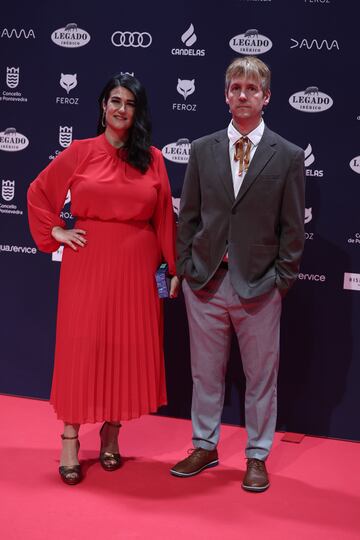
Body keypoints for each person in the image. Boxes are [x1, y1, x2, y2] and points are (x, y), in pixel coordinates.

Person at [27, 73, 179, 485]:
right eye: (115, 100)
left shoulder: (153, 158)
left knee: (125, 348)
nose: (121, 109)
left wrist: (174, 268)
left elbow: (165, 216)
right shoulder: (80, 152)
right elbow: (38, 193)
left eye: (129, 103)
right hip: (88, 264)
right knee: (82, 348)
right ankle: (70, 439)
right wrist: (55, 231)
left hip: (137, 268)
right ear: (102, 105)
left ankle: (112, 435)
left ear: (138, 110)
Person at [171, 57, 305, 492]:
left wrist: (281, 280)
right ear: (225, 94)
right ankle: (204, 445)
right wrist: (188, 270)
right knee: (204, 373)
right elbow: (187, 216)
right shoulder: (201, 148)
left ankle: (257, 455)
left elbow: (293, 229)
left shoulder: (286, 155)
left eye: (251, 88)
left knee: (261, 378)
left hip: (261, 285)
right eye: (236, 87)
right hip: (206, 281)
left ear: (267, 97)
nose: (243, 94)